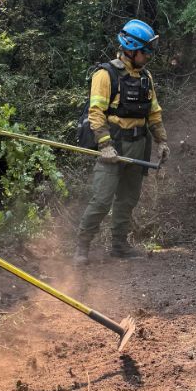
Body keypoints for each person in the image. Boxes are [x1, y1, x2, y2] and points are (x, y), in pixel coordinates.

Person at [74, 19, 170, 265]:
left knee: (128, 198)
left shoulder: (146, 77)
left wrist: (162, 141)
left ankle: (119, 245)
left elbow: (154, 113)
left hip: (138, 144)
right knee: (102, 199)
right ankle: (82, 247)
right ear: (130, 48)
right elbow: (95, 113)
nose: (149, 55)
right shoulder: (105, 75)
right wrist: (104, 146)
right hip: (113, 145)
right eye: (145, 50)